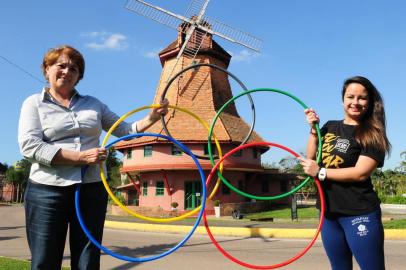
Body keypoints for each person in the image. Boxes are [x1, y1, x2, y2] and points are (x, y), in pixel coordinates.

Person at [18, 45, 169, 270]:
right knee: (44, 261)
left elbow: (125, 129)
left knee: (88, 260)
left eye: (74, 68)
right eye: (61, 65)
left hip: (91, 189)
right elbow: (30, 147)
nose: (67, 72)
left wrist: (152, 117)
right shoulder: (34, 103)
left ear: (79, 76)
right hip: (47, 190)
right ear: (47, 69)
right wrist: (81, 157)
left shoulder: (94, 104)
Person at [299, 76, 391, 270]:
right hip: (329, 214)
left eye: (362, 98)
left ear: (370, 102)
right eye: (350, 96)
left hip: (360, 213)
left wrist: (321, 172)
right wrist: (314, 131)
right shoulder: (330, 127)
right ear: (343, 100)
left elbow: (360, 173)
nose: (355, 102)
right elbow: (312, 160)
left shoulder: (373, 134)